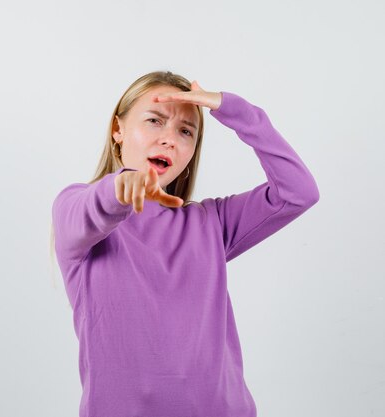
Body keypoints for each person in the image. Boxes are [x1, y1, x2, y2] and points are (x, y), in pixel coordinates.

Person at [50, 71, 319, 417]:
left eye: (185, 131)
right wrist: (122, 184)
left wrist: (234, 110)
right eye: (154, 121)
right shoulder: (77, 210)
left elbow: (298, 191)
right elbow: (91, 207)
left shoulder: (211, 223)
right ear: (118, 130)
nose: (169, 140)